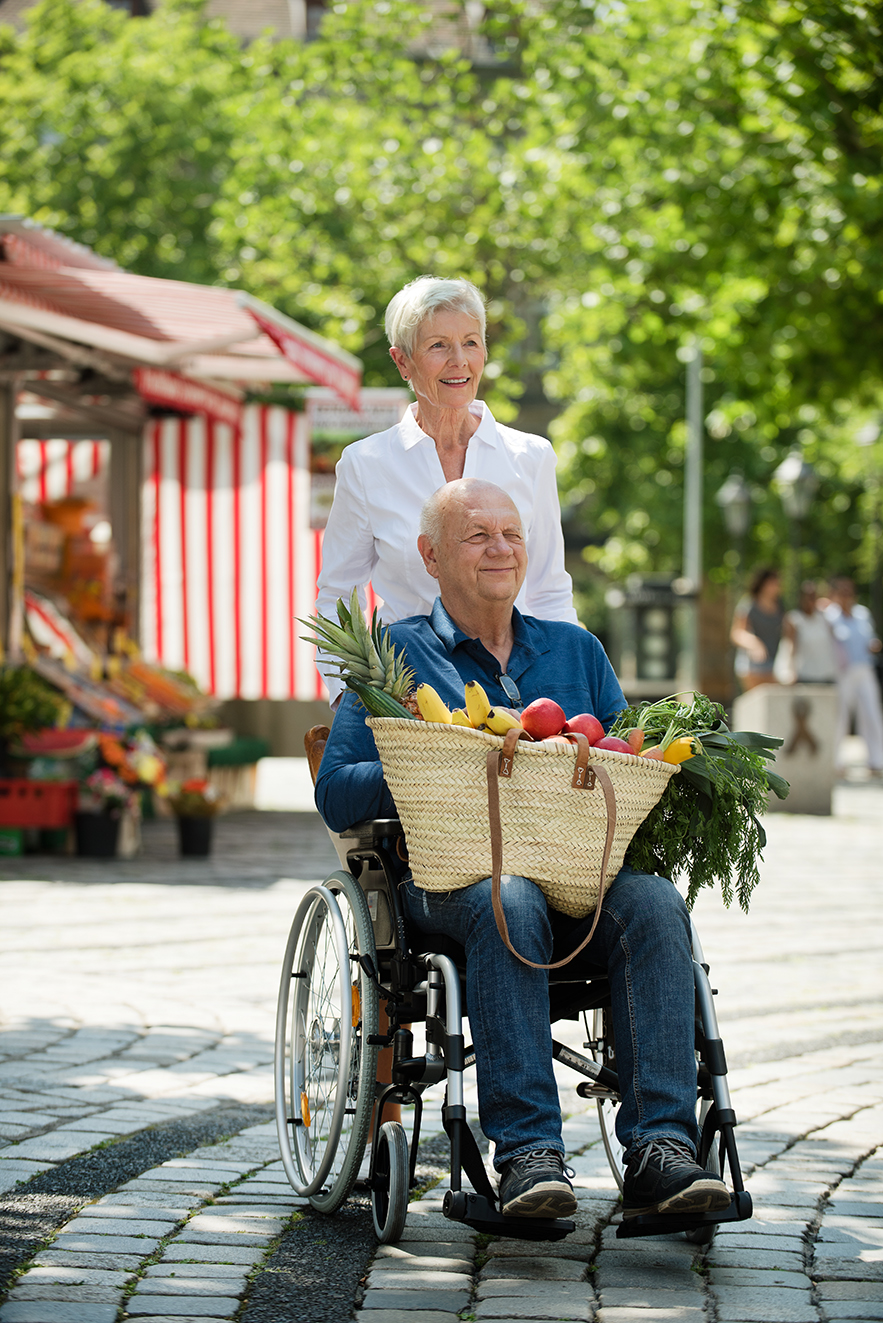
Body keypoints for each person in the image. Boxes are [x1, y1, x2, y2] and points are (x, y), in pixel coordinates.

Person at [316, 478, 730, 1223]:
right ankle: (528, 1154)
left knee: (656, 902)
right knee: (510, 897)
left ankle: (661, 1148)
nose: (500, 547)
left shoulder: (576, 649)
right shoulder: (396, 651)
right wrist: (437, 764)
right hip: (448, 885)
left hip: (576, 879)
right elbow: (336, 791)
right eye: (477, 535)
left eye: (510, 533)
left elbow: (621, 765)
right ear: (430, 556)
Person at [315, 276, 577, 704]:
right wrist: (353, 695)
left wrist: (561, 689)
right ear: (403, 363)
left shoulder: (531, 456)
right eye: (438, 346)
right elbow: (337, 597)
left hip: (521, 697)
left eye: (471, 343)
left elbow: (549, 592)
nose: (459, 361)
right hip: (414, 697)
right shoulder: (366, 465)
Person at [824, 576, 883, 776]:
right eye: (842, 592)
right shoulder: (829, 615)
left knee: (872, 714)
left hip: (865, 670)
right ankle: (836, 762)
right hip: (842, 673)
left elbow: (870, 638)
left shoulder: (862, 614)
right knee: (840, 716)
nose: (847, 596)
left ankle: (877, 760)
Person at [730, 568, 784, 691]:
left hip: (774, 664)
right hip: (751, 666)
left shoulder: (780, 606)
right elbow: (737, 633)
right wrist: (754, 644)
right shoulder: (748, 604)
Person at [782, 581, 837, 684]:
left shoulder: (824, 619)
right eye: (807, 597)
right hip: (804, 675)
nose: (810, 601)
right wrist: (789, 671)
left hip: (827, 674)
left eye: (812, 597)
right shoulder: (793, 619)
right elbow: (789, 647)